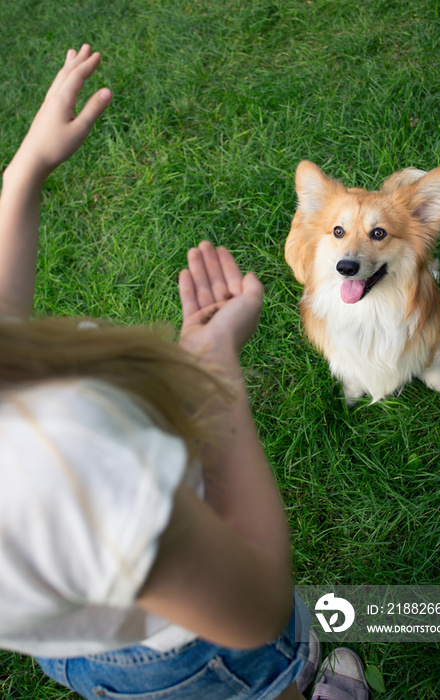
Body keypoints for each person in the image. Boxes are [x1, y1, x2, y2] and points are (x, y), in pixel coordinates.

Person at [0, 45, 370, 700]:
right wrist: (213, 362)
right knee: (262, 672)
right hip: (187, 647)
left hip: (80, 646)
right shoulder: (55, 463)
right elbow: (251, 611)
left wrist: (25, 172)